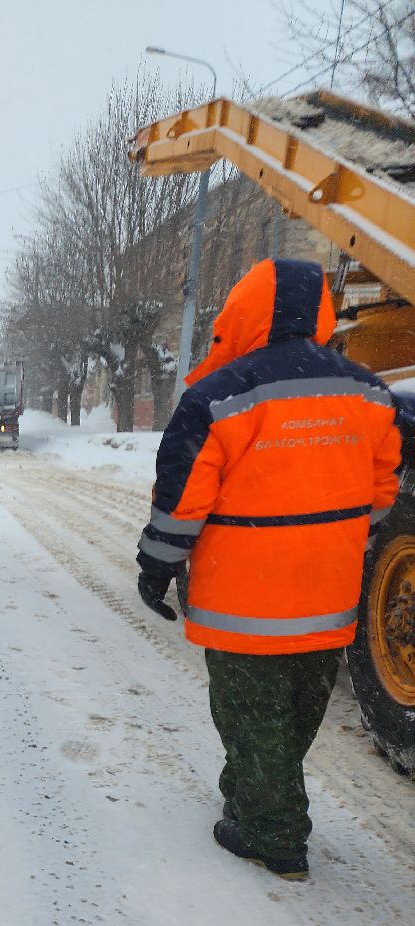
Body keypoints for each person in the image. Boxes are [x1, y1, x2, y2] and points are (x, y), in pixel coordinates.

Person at [136, 257, 401, 882]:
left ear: (244, 315)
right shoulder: (369, 392)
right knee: (298, 710)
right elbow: (382, 493)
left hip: (244, 600)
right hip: (328, 595)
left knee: (251, 714)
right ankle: (250, 791)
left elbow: (183, 501)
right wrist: (330, 535)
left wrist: (157, 567)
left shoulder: (219, 396)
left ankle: (273, 835)